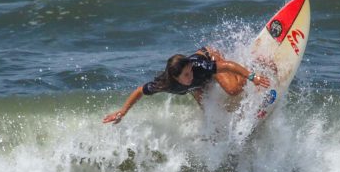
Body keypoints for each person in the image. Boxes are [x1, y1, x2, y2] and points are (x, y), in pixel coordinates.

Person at [103, 47, 271, 124]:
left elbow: (226, 66)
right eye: (186, 75)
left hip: (210, 58)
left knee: (233, 90)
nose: (190, 76)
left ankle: (252, 61)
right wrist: (123, 112)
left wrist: (252, 76)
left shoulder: (198, 68)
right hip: (198, 87)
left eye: (190, 72)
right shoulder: (164, 84)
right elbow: (140, 90)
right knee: (213, 114)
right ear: (175, 78)